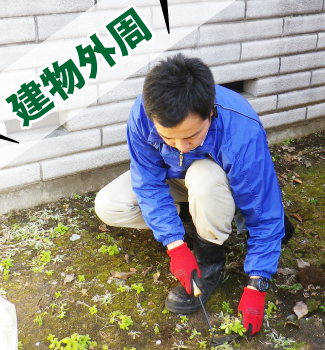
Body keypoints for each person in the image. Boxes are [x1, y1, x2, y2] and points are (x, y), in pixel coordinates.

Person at [94, 53, 294, 336]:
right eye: (168, 138)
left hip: (215, 182)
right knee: (109, 204)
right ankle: (194, 222)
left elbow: (265, 215)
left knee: (204, 177)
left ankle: (210, 263)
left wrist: (257, 284)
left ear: (210, 112)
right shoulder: (144, 114)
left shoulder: (242, 132)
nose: (180, 147)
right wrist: (175, 245)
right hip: (176, 180)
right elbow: (148, 183)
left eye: (191, 136)